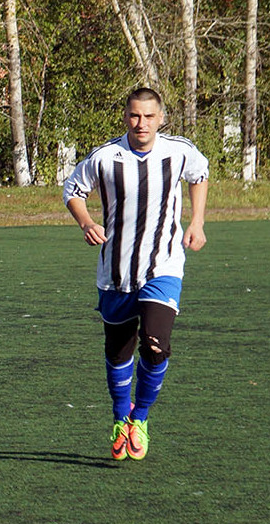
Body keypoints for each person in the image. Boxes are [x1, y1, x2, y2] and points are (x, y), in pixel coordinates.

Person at [61, 87, 209, 461]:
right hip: (116, 271)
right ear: (125, 117)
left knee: (156, 344)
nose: (140, 123)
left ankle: (140, 418)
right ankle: (120, 415)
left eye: (148, 117)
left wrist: (198, 221)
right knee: (118, 351)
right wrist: (86, 222)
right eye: (134, 116)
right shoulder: (105, 157)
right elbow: (72, 190)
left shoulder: (178, 151)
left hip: (164, 265)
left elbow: (200, 174)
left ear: (161, 119)